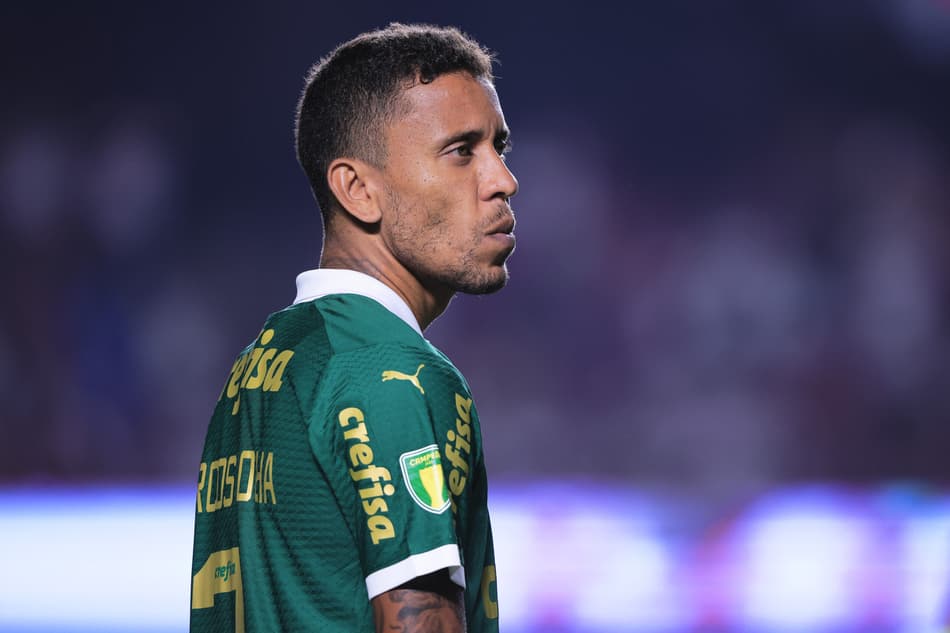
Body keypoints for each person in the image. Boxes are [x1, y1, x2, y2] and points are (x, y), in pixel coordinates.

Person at [190, 23, 518, 633]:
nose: (502, 179)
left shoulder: (261, 366)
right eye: (461, 151)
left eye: (500, 146)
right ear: (359, 190)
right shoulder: (391, 374)